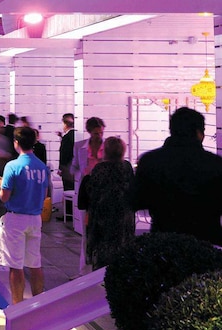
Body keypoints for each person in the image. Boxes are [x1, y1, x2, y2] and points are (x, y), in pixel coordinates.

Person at [134, 107, 222, 246]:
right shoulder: (216, 165)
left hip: (163, 243)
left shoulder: (150, 161)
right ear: (199, 133)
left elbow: (136, 201)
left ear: (172, 130)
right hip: (207, 244)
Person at [0, 126, 49, 309]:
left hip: (16, 219)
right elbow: (44, 192)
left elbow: (4, 196)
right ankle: (38, 305)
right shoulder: (42, 167)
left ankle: (17, 309)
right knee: (35, 263)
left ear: (16, 143)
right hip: (35, 218)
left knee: (15, 265)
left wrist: (2, 186)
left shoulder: (13, 166)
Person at [76, 136, 134, 269]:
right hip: (124, 218)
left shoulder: (99, 169)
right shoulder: (127, 168)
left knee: (103, 256)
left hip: (103, 220)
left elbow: (91, 194)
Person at [58, 113, 76, 190]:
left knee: (68, 191)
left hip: (68, 170)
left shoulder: (66, 137)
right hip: (77, 168)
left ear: (65, 123)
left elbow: (64, 154)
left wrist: (60, 168)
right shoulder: (77, 135)